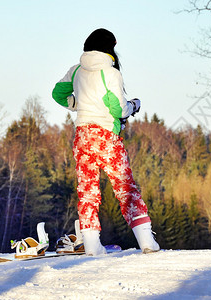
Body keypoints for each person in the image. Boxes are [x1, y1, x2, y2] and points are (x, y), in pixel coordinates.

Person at [52, 28, 160, 255]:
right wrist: (134, 105)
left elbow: (58, 94)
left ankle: (92, 247)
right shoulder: (111, 73)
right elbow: (118, 109)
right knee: (125, 188)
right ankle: (147, 243)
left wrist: (77, 105)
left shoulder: (76, 71)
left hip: (82, 136)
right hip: (107, 137)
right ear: (109, 47)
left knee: (87, 190)